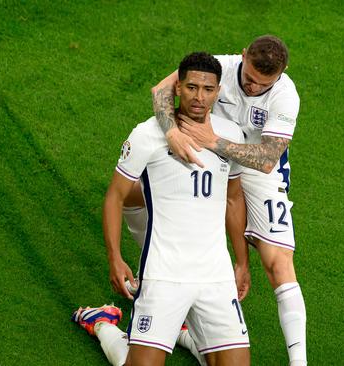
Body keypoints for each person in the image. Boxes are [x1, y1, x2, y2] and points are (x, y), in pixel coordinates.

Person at [74, 52, 250, 366]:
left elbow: (234, 199)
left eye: (208, 89)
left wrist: (241, 261)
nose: (199, 97)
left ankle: (181, 330)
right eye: (192, 87)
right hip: (163, 274)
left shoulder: (231, 136)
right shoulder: (148, 134)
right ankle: (103, 324)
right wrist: (114, 257)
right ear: (178, 88)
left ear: (218, 92)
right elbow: (115, 196)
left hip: (215, 276)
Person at [151, 35, 307, 366]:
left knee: (279, 262)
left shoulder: (285, 96)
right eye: (249, 78)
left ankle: (299, 362)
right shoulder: (221, 67)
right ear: (243, 56)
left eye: (262, 84)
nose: (251, 88)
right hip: (203, 152)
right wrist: (171, 132)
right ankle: (155, 285)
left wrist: (214, 141)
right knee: (146, 197)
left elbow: (266, 159)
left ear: (282, 73)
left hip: (253, 168)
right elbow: (161, 91)